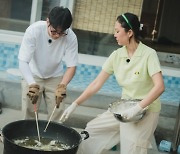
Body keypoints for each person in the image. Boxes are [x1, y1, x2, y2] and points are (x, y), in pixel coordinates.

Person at [60, 12, 165, 154]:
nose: (114, 34)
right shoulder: (116, 55)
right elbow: (96, 83)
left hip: (145, 112)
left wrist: (137, 108)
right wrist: (75, 104)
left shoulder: (148, 54)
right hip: (124, 108)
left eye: (117, 31)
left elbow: (159, 87)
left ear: (129, 33)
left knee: (131, 149)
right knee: (92, 131)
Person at [18, 6, 78, 121]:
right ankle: (29, 136)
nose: (57, 36)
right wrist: (31, 83)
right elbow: (23, 61)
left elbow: (72, 66)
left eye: (62, 33)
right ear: (48, 21)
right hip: (33, 74)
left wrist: (62, 86)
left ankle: (53, 137)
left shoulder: (71, 37)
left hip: (55, 76)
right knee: (29, 110)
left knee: (58, 109)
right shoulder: (34, 30)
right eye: (54, 31)